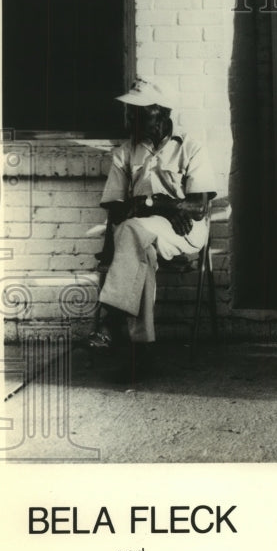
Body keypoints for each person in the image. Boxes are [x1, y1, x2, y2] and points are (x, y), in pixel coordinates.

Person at [91, 78, 217, 380]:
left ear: (162, 112)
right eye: (128, 111)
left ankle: (113, 319)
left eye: (138, 111)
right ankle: (140, 353)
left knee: (132, 232)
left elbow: (198, 208)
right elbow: (116, 207)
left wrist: (147, 205)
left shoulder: (190, 147)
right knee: (138, 246)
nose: (130, 117)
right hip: (142, 234)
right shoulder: (125, 152)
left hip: (184, 233)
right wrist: (161, 204)